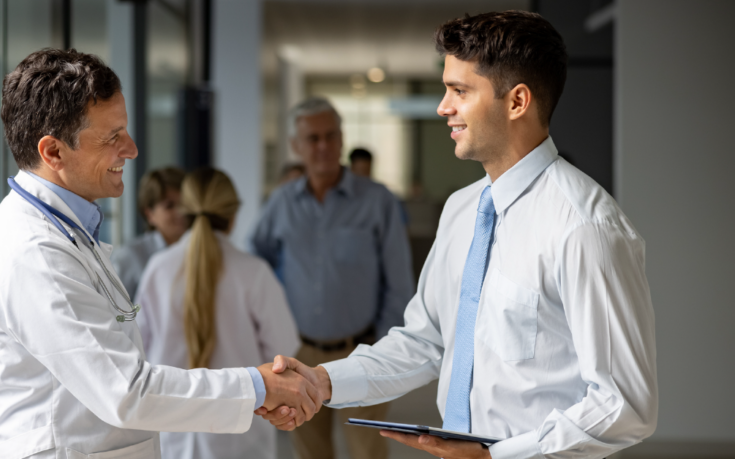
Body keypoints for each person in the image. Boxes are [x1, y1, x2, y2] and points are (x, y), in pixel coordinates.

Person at [259, 11, 658, 459]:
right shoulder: (463, 209)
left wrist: (496, 455)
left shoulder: (585, 228)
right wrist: (322, 380)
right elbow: (424, 342)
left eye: (459, 91)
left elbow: (624, 405)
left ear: (517, 101)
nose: (442, 107)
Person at [0, 49, 321, 459]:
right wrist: (258, 386)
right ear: (54, 152)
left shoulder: (70, 233)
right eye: (112, 136)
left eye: (126, 131)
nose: (131, 150)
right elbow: (126, 390)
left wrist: (256, 392)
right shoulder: (34, 253)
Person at [250, 97, 415, 459]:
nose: (322, 146)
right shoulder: (281, 204)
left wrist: (384, 349)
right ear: (296, 146)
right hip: (298, 353)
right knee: (310, 450)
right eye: (312, 139)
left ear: (341, 140)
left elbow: (399, 283)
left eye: (330, 136)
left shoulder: (377, 201)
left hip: (361, 352)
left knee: (367, 450)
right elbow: (256, 264)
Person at [136, 167, 301, 459]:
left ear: (184, 212)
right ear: (233, 215)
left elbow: (139, 349)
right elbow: (283, 351)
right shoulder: (254, 273)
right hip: (241, 437)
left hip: (171, 434)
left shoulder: (157, 270)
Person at [111, 167, 187, 298]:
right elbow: (112, 310)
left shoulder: (200, 251)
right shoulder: (129, 257)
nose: (181, 212)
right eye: (169, 206)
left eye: (185, 204)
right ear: (149, 214)